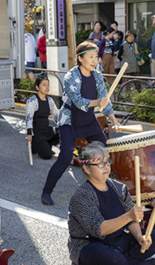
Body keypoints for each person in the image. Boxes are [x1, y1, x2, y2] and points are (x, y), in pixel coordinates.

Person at [68, 141, 155, 265]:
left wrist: (139, 238)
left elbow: (131, 220)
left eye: (107, 162)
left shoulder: (119, 188)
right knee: (105, 254)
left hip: (118, 241)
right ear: (87, 169)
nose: (106, 167)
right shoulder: (82, 196)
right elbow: (99, 230)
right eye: (100, 164)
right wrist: (129, 215)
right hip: (89, 245)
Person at [41, 41, 121, 206]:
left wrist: (114, 120)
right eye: (90, 57)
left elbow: (104, 101)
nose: (94, 60)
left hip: (88, 120)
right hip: (69, 120)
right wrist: (99, 101)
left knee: (105, 151)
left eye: (95, 57)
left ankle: (108, 188)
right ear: (80, 58)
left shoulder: (97, 75)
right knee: (65, 157)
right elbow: (78, 102)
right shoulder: (71, 76)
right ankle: (46, 191)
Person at [26, 76, 59, 159]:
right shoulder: (32, 101)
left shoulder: (50, 100)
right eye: (44, 85)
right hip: (38, 134)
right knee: (47, 156)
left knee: (64, 132)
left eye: (48, 85)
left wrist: (65, 125)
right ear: (37, 87)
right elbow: (29, 118)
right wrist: (29, 134)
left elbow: (56, 115)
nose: (47, 87)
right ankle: (35, 144)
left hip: (47, 131)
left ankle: (47, 145)